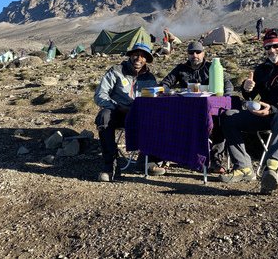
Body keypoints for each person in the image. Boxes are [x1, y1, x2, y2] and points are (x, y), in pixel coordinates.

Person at [219, 28, 278, 194]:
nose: (271, 50)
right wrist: (247, 89)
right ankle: (243, 168)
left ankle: (272, 169)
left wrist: (274, 109)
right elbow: (249, 95)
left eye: (275, 46)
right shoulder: (263, 69)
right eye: (267, 47)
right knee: (228, 116)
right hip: (266, 115)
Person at [94, 42, 166, 182]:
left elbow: (153, 99)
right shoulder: (116, 71)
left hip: (141, 115)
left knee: (161, 118)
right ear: (130, 55)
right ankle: (110, 167)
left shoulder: (149, 78)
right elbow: (100, 95)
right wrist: (116, 106)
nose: (138, 58)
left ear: (146, 59)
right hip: (118, 112)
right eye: (135, 55)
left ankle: (148, 161)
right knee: (104, 117)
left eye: (143, 56)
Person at [160, 41, 234, 173]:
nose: (195, 55)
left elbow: (227, 83)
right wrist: (165, 91)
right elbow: (165, 82)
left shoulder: (212, 67)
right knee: (168, 118)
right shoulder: (180, 68)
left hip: (210, 110)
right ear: (187, 54)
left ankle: (216, 160)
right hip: (186, 111)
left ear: (203, 53)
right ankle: (170, 156)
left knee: (220, 122)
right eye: (191, 52)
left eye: (198, 52)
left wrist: (225, 96)